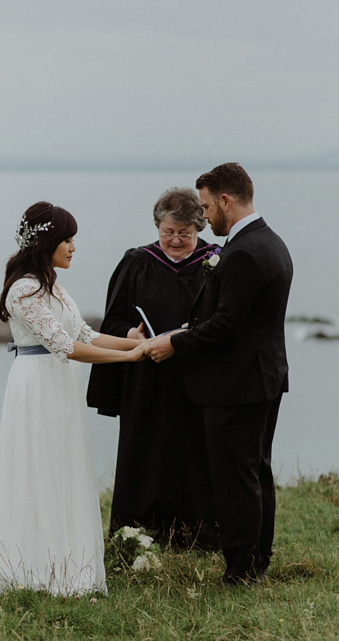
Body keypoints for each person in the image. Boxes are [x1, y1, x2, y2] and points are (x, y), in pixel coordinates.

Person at [0, 201, 148, 596]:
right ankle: (32, 564)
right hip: (36, 385)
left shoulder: (53, 285)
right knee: (38, 467)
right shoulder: (24, 289)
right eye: (66, 239)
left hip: (60, 385)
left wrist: (136, 342)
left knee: (63, 466)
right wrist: (128, 357)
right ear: (47, 241)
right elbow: (64, 346)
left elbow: (84, 334)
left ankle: (65, 561)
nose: (72, 247)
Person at [145, 163, 292, 585]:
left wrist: (174, 342)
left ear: (226, 200)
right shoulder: (270, 241)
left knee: (235, 479)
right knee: (255, 471)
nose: (205, 217)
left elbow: (228, 324)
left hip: (237, 384)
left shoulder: (244, 251)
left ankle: (242, 570)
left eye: (207, 207)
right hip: (262, 377)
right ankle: (256, 560)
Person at [86, 188, 221, 549]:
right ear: (157, 226)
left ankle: (196, 535)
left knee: (195, 452)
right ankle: (135, 533)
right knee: (142, 449)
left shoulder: (216, 262)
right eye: (168, 232)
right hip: (145, 377)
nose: (175, 240)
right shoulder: (137, 262)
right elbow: (110, 321)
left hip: (194, 376)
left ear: (199, 228)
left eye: (185, 233)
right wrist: (130, 333)